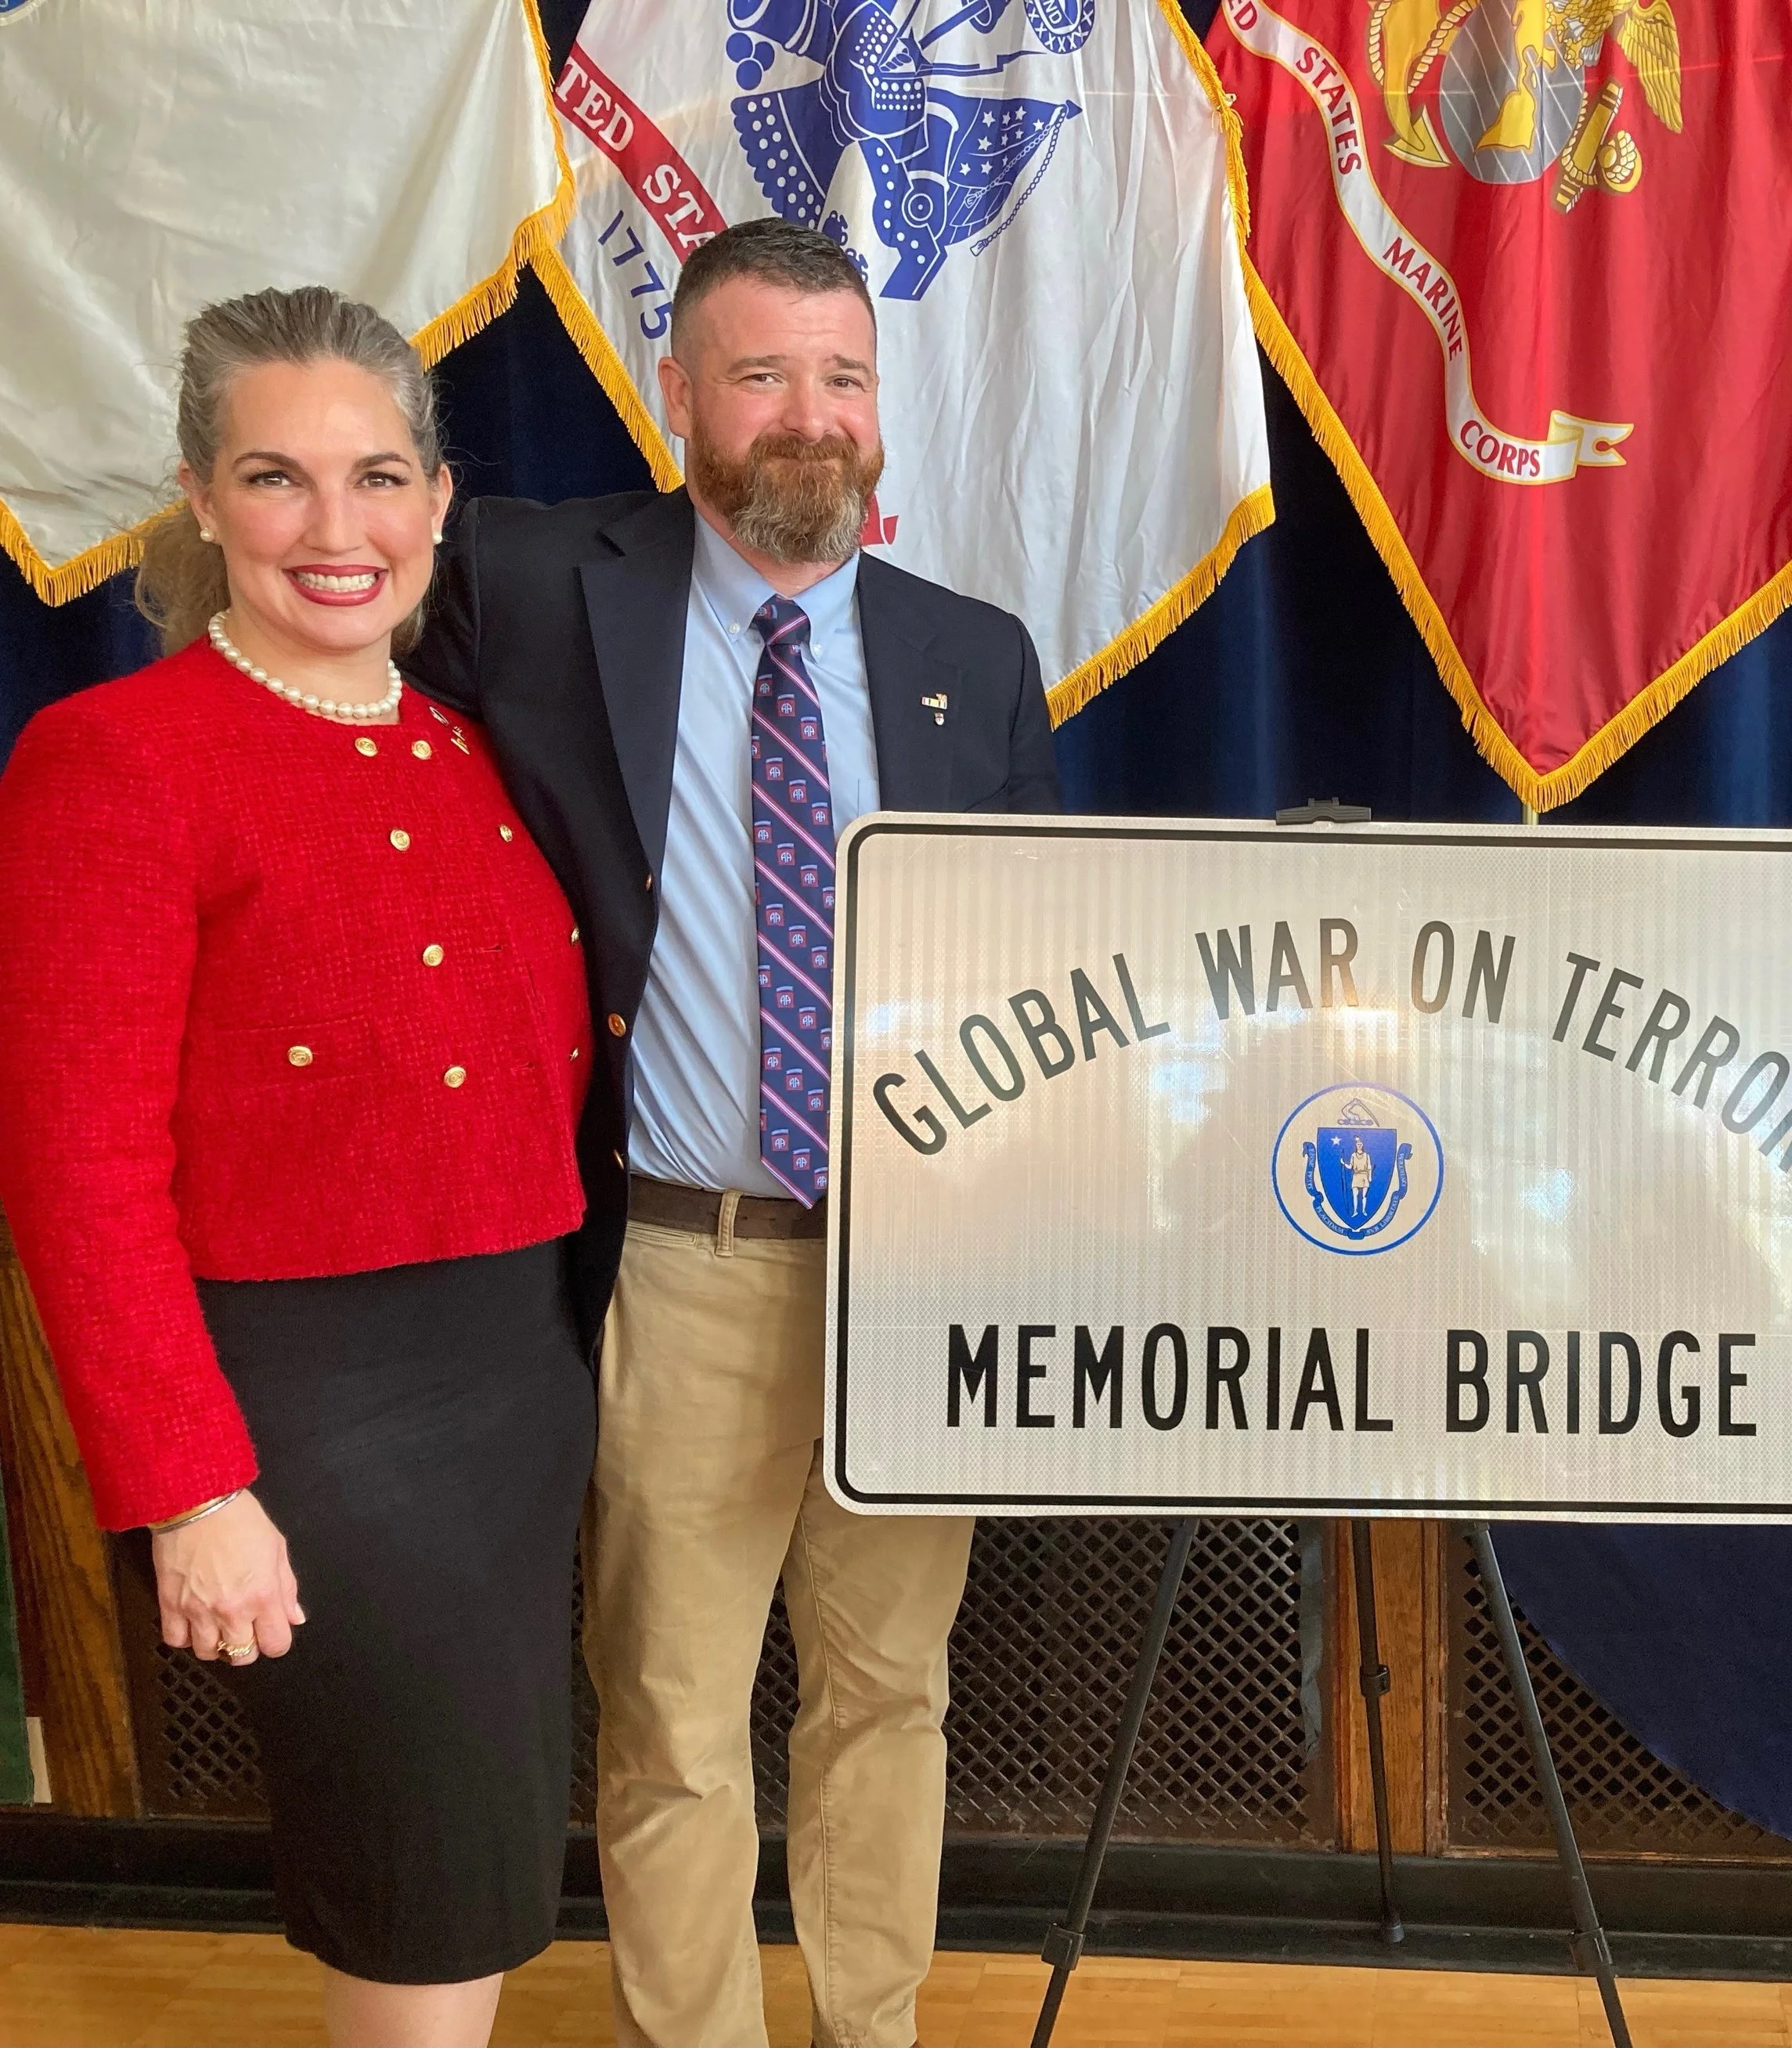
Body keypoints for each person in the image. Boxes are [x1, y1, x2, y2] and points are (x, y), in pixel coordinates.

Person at [408, 216, 1062, 2048]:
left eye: (843, 378)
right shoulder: (542, 581)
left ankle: (873, 2032)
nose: (809, 417)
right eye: (763, 374)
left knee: (885, 1696)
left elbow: (1035, 983)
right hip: (679, 1266)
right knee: (675, 1719)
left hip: (911, 1286)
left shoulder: (970, 656)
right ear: (677, 390)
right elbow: (334, 557)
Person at [0, 287, 597, 2048]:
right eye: (277, 479)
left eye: (377, 478)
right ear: (199, 496)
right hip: (310, 1408)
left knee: (471, 1846)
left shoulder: (470, 749)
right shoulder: (115, 759)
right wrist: (192, 1486)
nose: (337, 532)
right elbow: (76, 1168)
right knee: (414, 1859)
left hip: (514, 1379)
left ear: (436, 500)